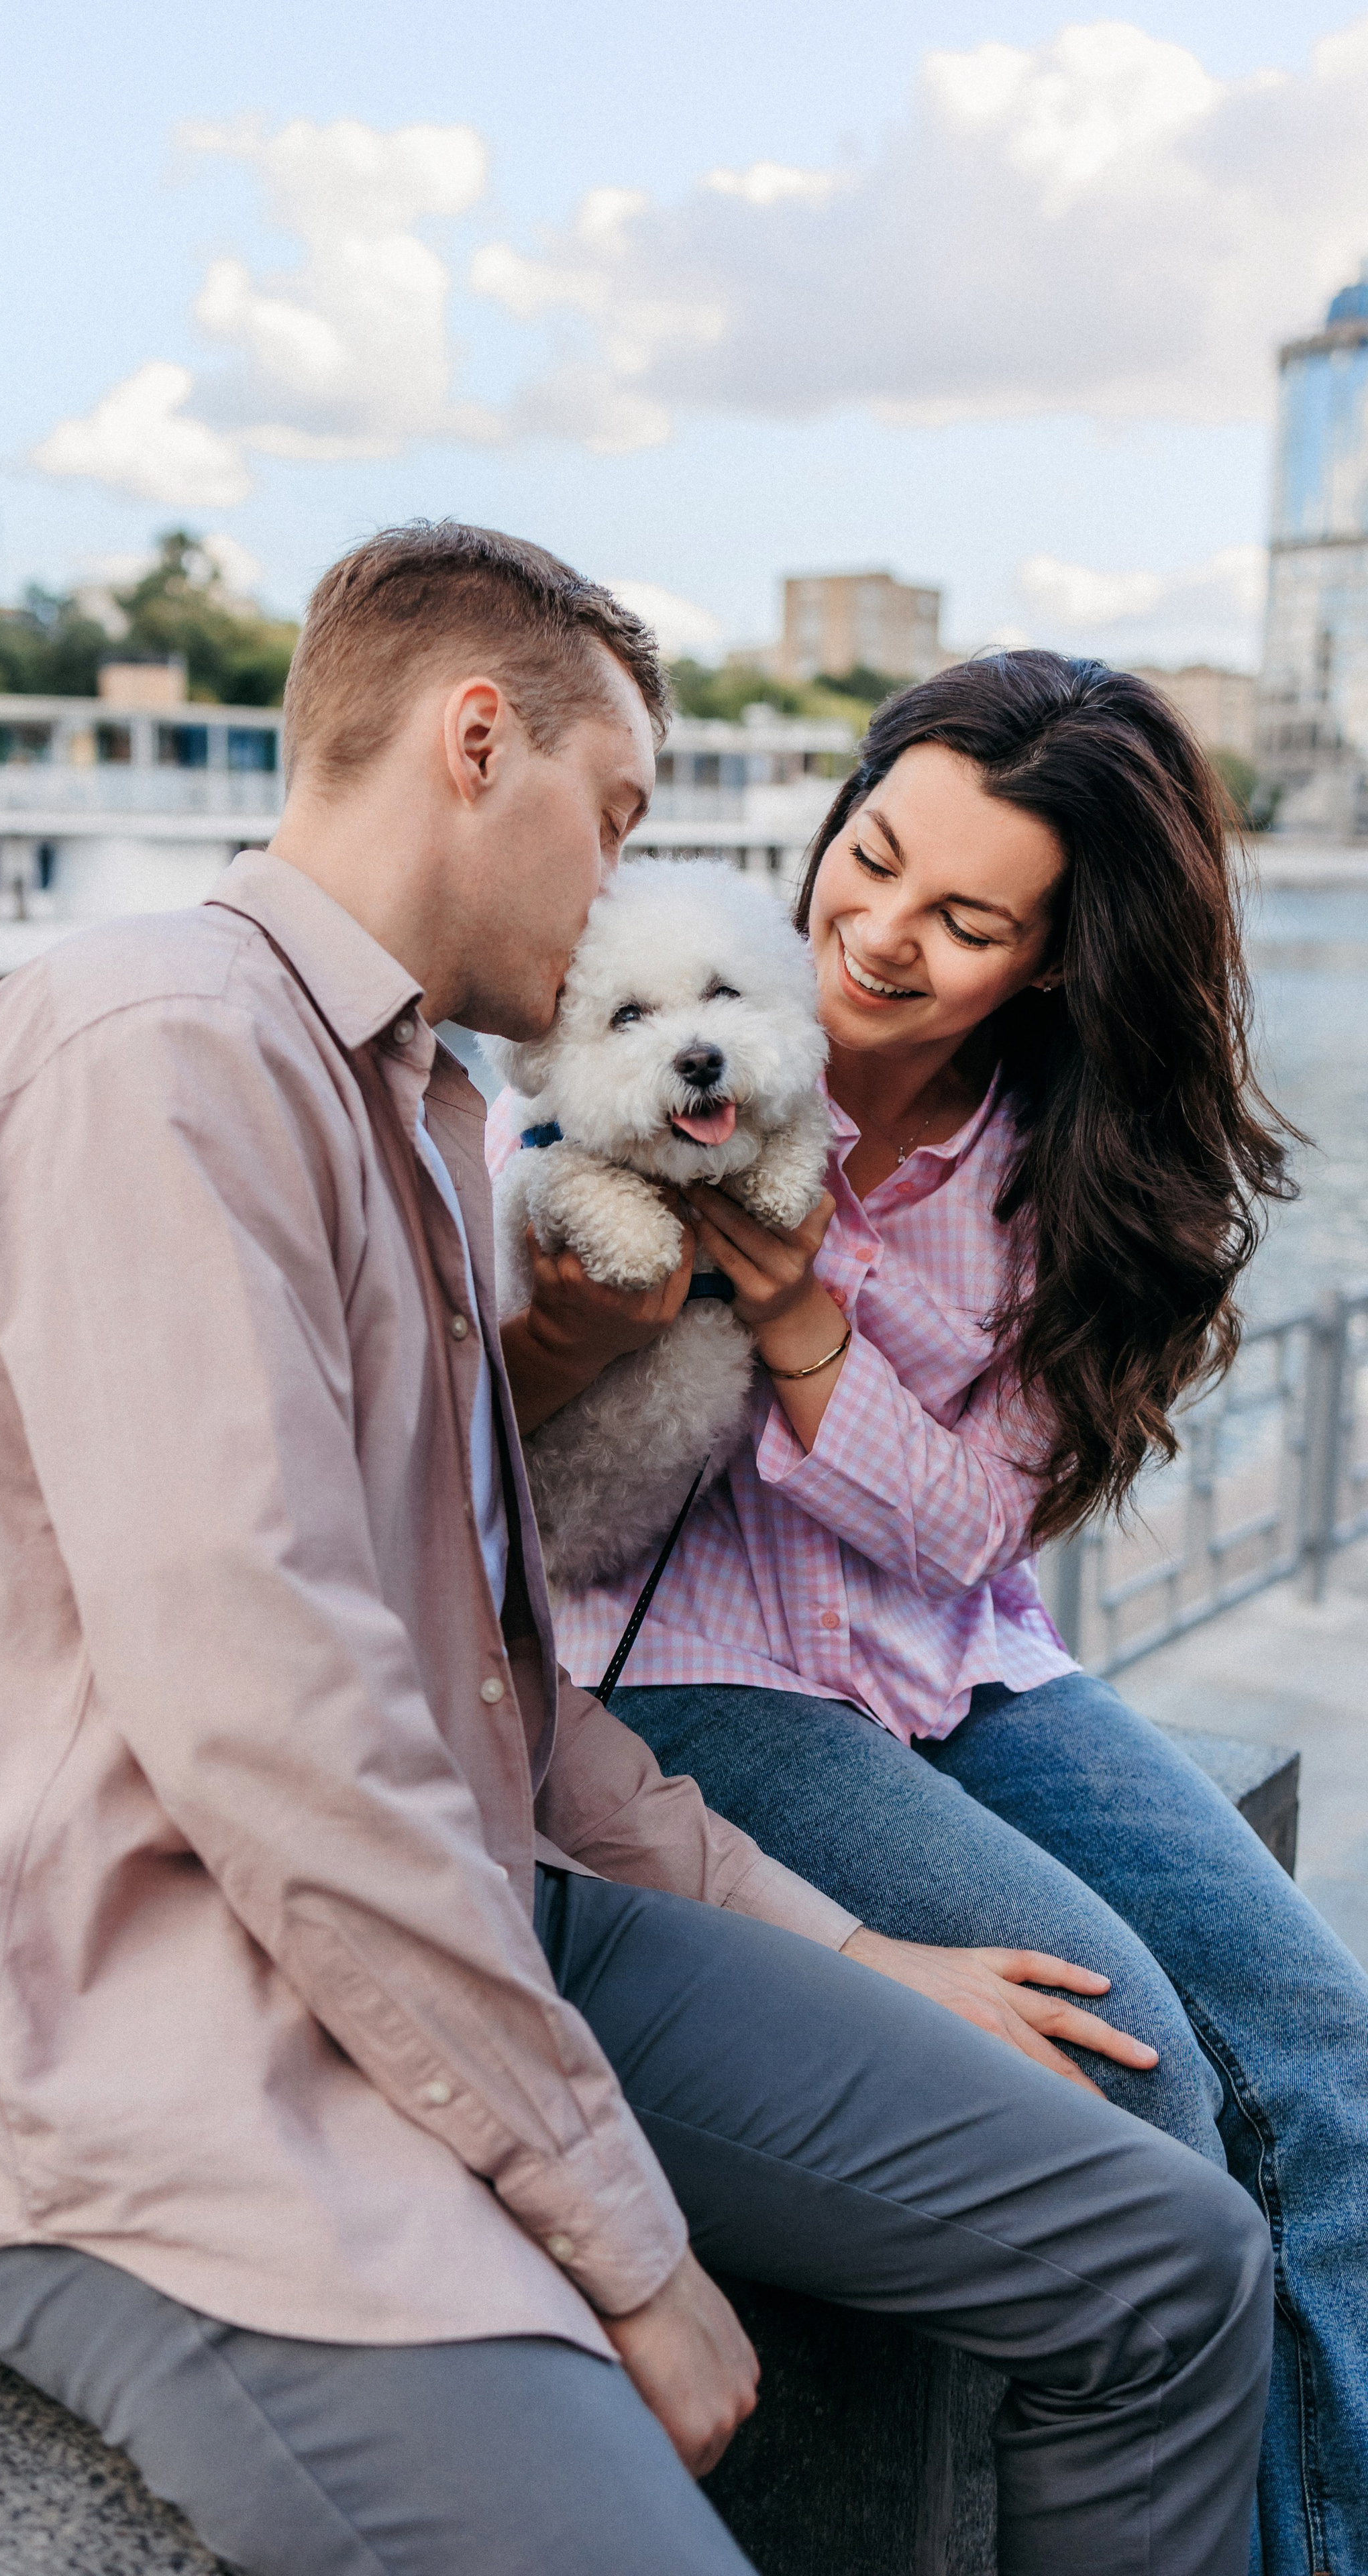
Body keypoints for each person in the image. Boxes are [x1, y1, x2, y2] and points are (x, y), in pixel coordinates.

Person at [0, 537, 1271, 2576]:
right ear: (476, 741)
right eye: (614, 824)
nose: (625, 891)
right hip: (169, 2044)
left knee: (1170, 2263)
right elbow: (275, 1731)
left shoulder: (416, 1107)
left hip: (491, 1918)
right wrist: (616, 2229)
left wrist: (851, 1951)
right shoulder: (151, 1048)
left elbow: (492, 1679)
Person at [490, 649, 1365, 2576]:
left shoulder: (1055, 1166)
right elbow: (475, 1469)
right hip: (702, 1681)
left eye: (967, 921)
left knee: (1323, 2035)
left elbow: (971, 1533)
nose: (880, 936)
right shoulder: (621, 1029)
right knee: (1125, 2043)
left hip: (955, 1662)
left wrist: (804, 1310)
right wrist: (573, 1329)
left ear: (1052, 962)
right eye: (868, 863)